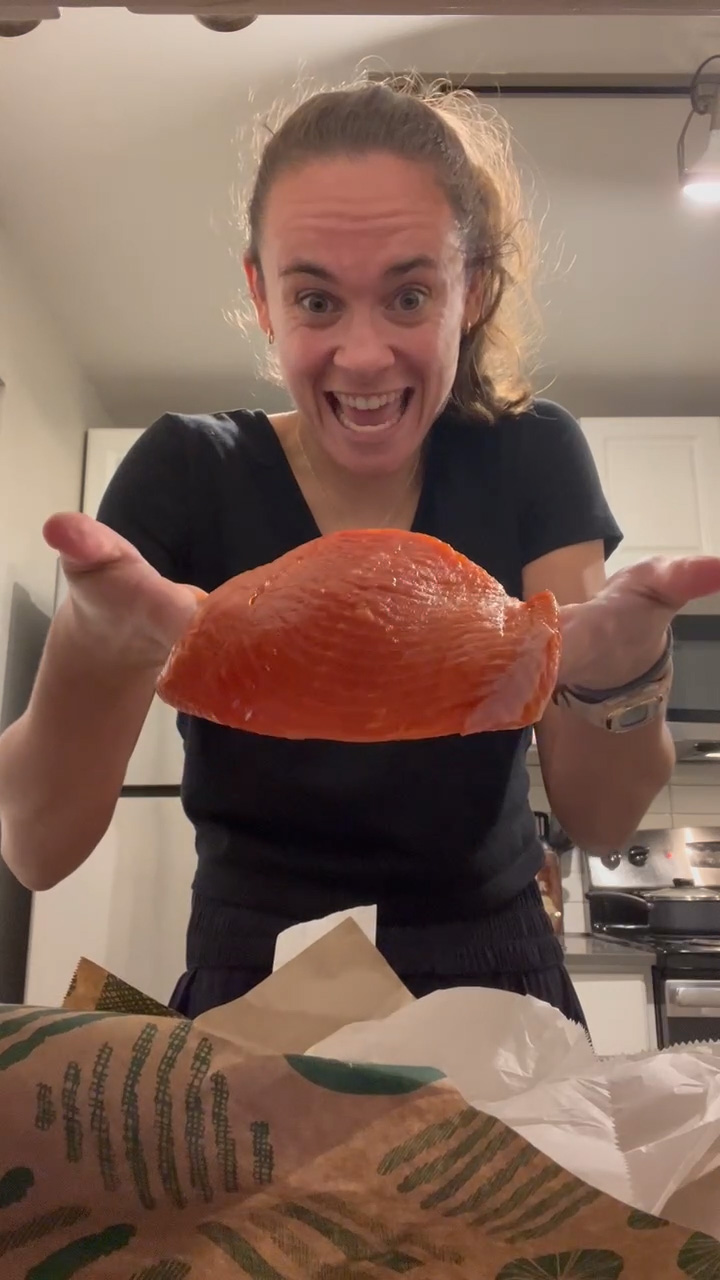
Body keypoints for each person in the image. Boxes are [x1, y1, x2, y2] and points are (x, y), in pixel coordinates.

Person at [1, 79, 719, 1024]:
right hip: (253, 987)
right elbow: (37, 850)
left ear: (475, 290)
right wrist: (97, 645)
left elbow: (605, 819)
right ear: (261, 294)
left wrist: (621, 678)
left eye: (410, 294)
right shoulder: (184, 471)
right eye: (316, 300)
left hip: (495, 984)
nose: (365, 356)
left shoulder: (531, 455)